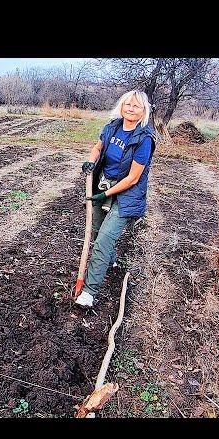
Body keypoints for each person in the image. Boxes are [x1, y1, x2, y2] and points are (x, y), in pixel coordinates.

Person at [75, 90, 156, 308]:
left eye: (136, 106)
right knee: (98, 230)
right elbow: (98, 147)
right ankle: (110, 263)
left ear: (143, 111)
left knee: (103, 241)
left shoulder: (144, 139)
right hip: (104, 184)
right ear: (121, 105)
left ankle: (89, 292)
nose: (130, 108)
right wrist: (91, 162)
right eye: (127, 104)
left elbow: (133, 178)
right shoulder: (112, 127)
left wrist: (104, 195)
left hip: (127, 195)